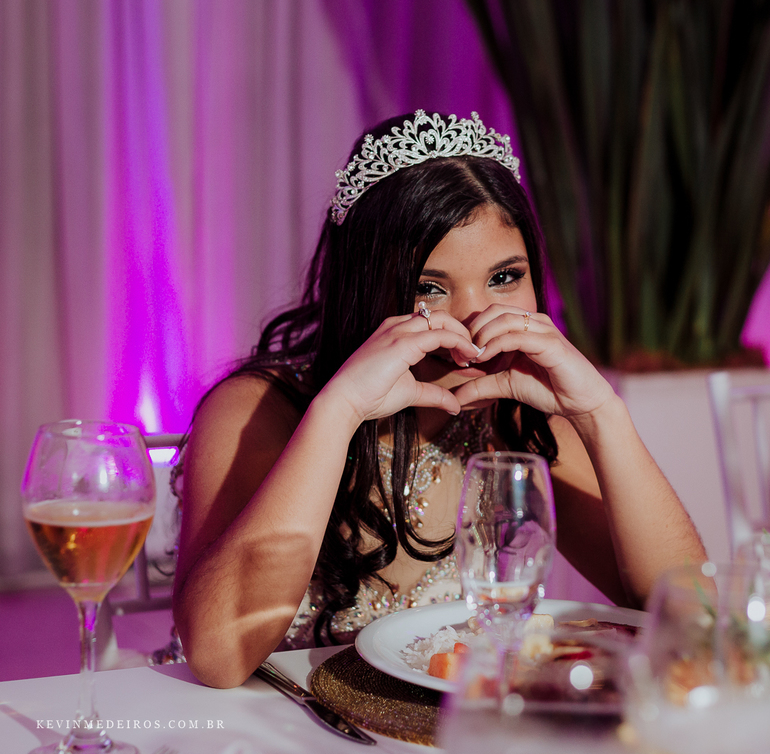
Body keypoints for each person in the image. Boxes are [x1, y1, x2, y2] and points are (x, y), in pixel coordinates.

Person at [171, 110, 706, 689]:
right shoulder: (256, 411)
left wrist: (602, 414)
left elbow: (693, 621)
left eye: (505, 277)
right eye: (429, 287)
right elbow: (218, 658)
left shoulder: (519, 415)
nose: (476, 322)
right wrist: (338, 412)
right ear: (366, 287)